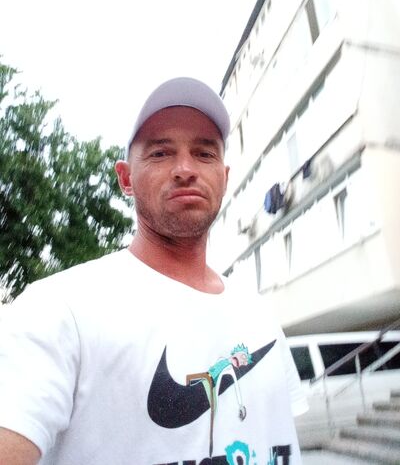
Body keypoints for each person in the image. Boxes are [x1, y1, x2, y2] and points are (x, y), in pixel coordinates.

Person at [0, 77, 307, 465]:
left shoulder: (260, 318)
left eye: (204, 153)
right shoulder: (58, 312)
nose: (185, 169)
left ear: (225, 177)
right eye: (161, 153)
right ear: (126, 178)